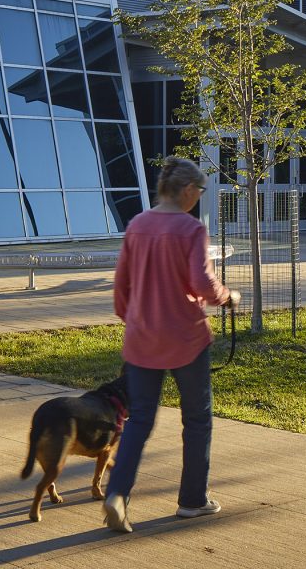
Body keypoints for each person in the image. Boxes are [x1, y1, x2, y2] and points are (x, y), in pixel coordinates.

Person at [102, 156, 238, 533]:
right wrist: (228, 297)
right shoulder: (190, 228)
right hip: (186, 338)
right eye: (201, 191)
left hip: (143, 338)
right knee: (196, 420)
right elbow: (202, 285)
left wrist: (134, 319)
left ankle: (117, 494)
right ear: (189, 190)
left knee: (138, 420)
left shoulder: (137, 225)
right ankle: (193, 501)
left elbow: (121, 287)